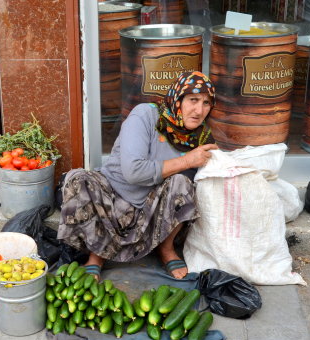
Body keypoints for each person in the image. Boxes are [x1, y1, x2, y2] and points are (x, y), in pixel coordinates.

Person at [57, 71, 219, 280]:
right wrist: (188, 160)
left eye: (207, 103)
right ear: (177, 98)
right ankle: (96, 256)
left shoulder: (201, 136)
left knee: (182, 183)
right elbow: (134, 172)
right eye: (193, 100)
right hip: (113, 196)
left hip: (151, 210)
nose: (199, 110)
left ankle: (166, 249)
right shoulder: (145, 115)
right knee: (78, 179)